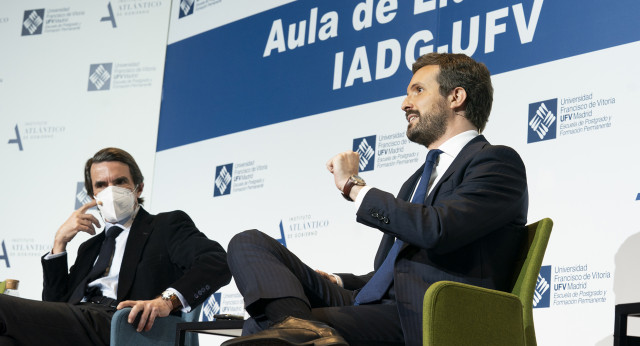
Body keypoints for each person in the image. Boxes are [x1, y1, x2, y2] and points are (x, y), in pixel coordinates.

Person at [222, 53, 529, 346]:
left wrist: (353, 187)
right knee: (248, 242)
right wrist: (340, 281)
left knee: (261, 327)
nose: (405, 104)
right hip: (372, 303)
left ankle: (299, 332)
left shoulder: (496, 163)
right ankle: (303, 331)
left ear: (456, 97)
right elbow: (396, 270)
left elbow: (437, 230)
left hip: (426, 316)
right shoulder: (417, 179)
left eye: (418, 91)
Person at [0, 147, 231, 346]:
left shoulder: (166, 225)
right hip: (80, 321)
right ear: (93, 195)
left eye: (120, 182)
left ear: (138, 188)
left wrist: (166, 301)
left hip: (122, 322)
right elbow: (53, 307)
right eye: (101, 185)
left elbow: (217, 262)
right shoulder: (90, 247)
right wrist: (59, 244)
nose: (111, 191)